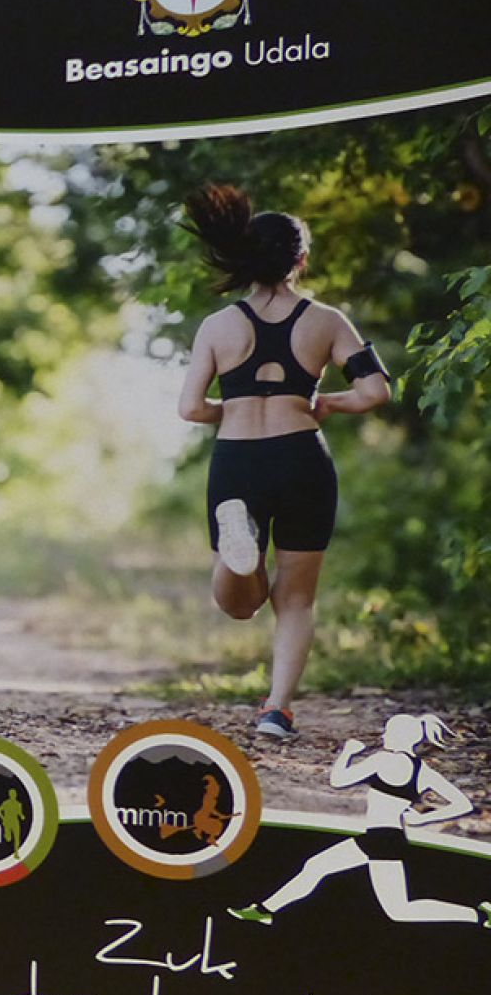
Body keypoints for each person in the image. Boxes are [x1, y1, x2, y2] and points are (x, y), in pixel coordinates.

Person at [177, 184, 390, 740]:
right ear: (301, 260)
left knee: (239, 605)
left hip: (238, 459)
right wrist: (325, 402)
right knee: (295, 599)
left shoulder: (218, 326)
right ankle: (277, 711)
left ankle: (238, 556)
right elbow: (374, 392)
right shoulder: (327, 320)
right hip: (302, 457)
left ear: (247, 258)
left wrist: (236, 403)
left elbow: (191, 408)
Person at [230, 713, 491, 928]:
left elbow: (338, 781)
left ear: (399, 735)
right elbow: (462, 803)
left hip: (380, 839)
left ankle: (480, 916)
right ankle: (264, 910)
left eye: (387, 731)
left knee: (397, 909)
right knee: (319, 868)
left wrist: (348, 752)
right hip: (386, 838)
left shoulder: (383, 760)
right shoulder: (424, 772)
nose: (383, 736)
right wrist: (425, 820)